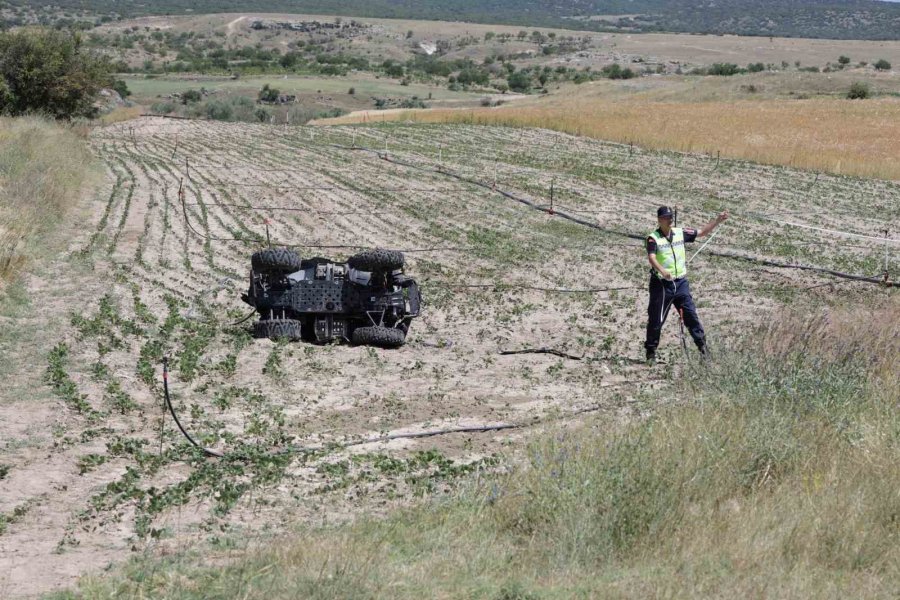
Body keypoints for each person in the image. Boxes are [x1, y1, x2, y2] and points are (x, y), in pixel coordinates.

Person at [644, 206, 728, 363]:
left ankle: (704, 351)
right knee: (656, 319)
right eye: (666, 218)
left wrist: (717, 220)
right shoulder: (652, 238)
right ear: (660, 219)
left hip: (681, 283)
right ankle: (650, 351)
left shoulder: (679, 233)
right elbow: (652, 257)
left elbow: (702, 232)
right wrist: (663, 271)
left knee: (691, 316)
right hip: (662, 285)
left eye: (671, 217)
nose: (670, 220)